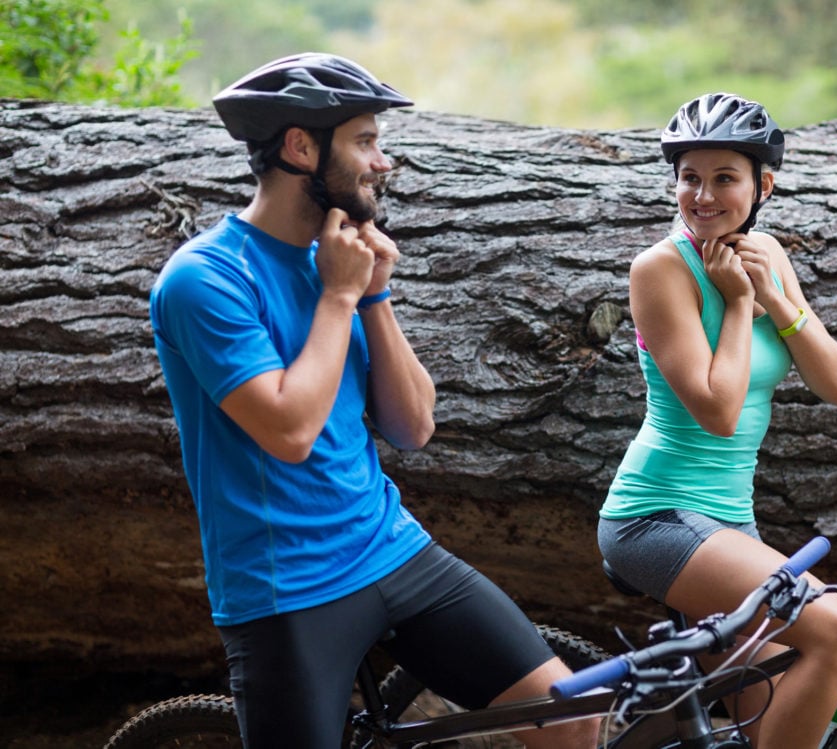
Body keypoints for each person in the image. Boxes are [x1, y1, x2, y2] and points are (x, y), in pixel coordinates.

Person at [149, 53, 598, 749]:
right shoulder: (204, 280)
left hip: (390, 548)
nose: (382, 162)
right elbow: (291, 431)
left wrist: (375, 296)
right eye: (364, 140)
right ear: (301, 147)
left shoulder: (340, 260)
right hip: (286, 589)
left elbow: (413, 425)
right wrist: (337, 296)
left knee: (571, 717)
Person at [597, 92, 837, 748]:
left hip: (729, 520)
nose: (703, 196)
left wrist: (776, 296)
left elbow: (836, 384)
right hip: (654, 516)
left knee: (774, 712)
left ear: (762, 184)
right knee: (836, 629)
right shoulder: (661, 268)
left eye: (724, 178)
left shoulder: (767, 253)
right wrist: (742, 305)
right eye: (690, 178)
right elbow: (717, 411)